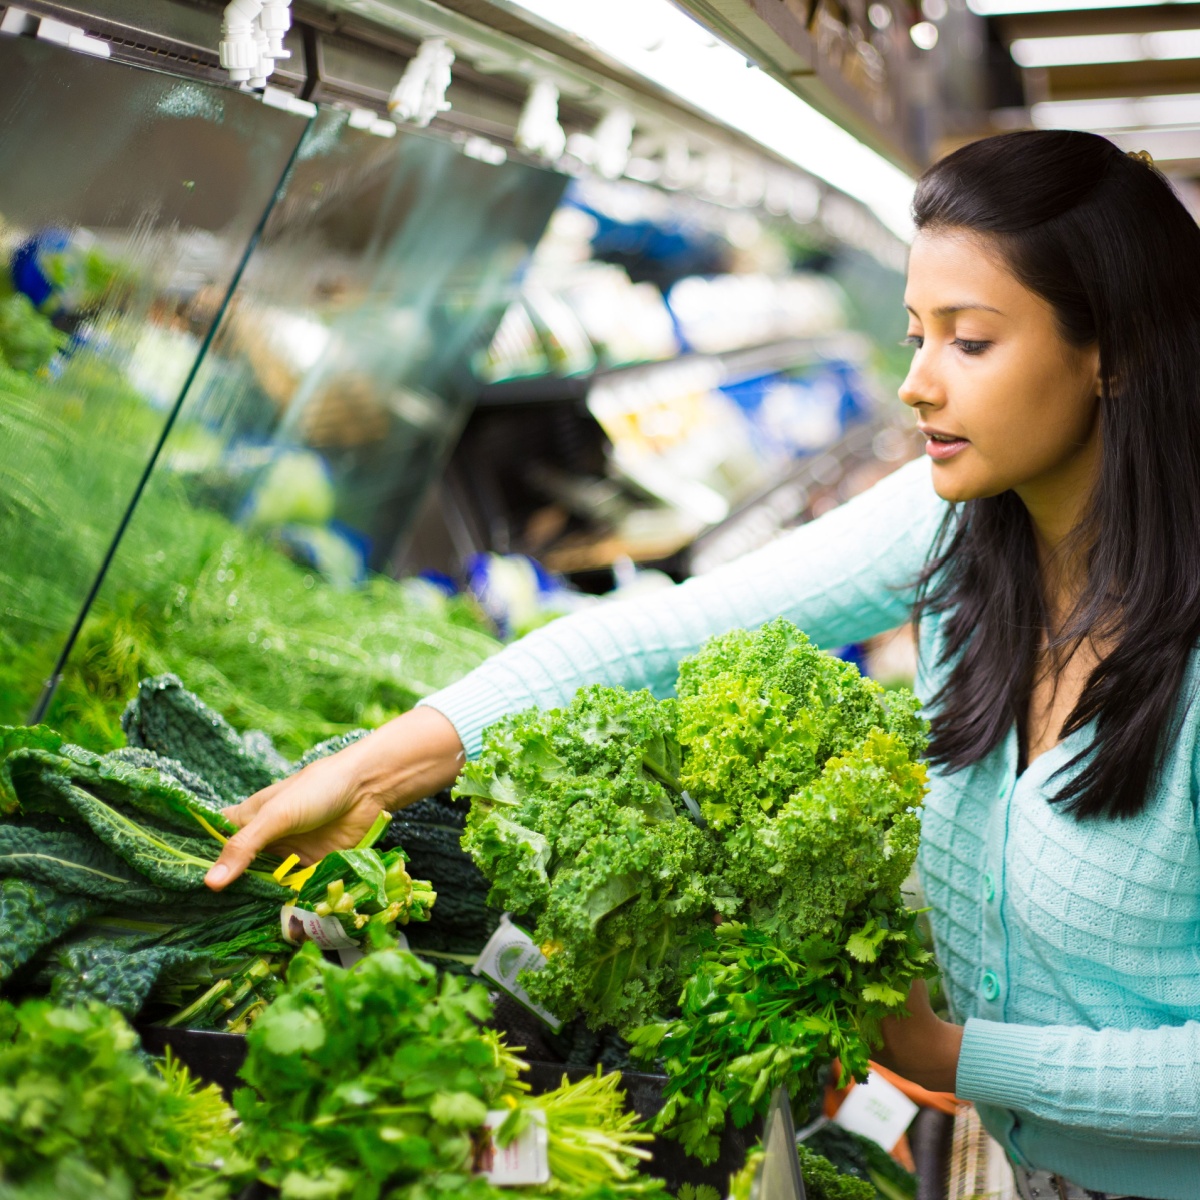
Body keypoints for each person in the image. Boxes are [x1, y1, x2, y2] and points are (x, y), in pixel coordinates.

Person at [204, 131, 1200, 1200]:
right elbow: (667, 636)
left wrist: (962, 1059)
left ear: (1116, 351)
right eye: (916, 334)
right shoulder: (965, 528)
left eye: (970, 342)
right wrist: (371, 770)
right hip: (1037, 1170)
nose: (916, 383)